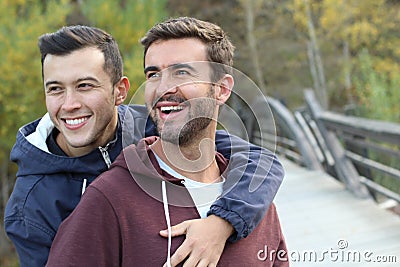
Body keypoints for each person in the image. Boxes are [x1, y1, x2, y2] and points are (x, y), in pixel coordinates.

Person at [5, 24, 284, 267]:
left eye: (85, 86)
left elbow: (260, 162)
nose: (69, 104)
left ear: (120, 91)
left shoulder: (154, 124)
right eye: (55, 89)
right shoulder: (32, 203)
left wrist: (222, 222)